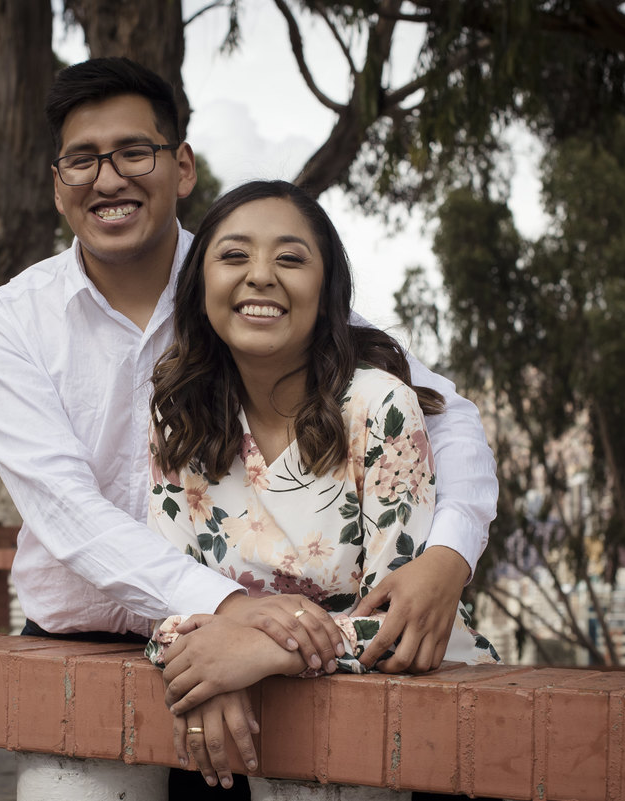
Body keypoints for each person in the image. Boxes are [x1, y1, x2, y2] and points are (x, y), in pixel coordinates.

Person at [0, 57, 498, 798]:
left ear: (180, 165)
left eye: (134, 152)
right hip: (115, 647)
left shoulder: (244, 277)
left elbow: (446, 412)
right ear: (58, 183)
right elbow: (65, 509)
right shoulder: (9, 323)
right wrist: (221, 619)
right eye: (82, 160)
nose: (107, 178)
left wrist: (449, 555)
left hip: (270, 657)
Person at [143, 180, 499, 796]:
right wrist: (209, 664)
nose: (260, 276)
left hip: (416, 744)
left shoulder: (378, 404)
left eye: (290, 258)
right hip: (270, 756)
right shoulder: (181, 421)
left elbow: (400, 625)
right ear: (200, 290)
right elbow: (167, 612)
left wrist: (261, 653)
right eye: (232, 256)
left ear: (327, 292)